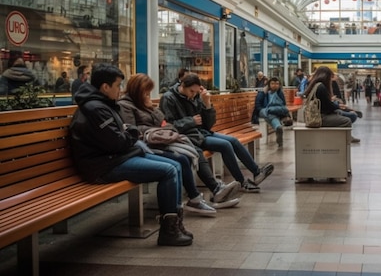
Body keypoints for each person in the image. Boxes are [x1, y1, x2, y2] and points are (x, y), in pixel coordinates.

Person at [69, 64, 192, 246]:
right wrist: (132, 132)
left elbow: (119, 137)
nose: (120, 90)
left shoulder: (102, 105)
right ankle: (168, 231)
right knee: (168, 170)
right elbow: (117, 141)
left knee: (176, 164)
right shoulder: (96, 108)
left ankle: (174, 224)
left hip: (116, 157)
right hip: (103, 166)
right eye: (118, 85)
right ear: (105, 87)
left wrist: (127, 132)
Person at [118, 73, 241, 212]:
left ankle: (214, 190)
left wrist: (206, 104)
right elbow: (133, 130)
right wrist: (160, 127)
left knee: (196, 150)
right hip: (148, 145)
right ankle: (198, 196)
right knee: (183, 158)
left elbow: (168, 124)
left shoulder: (144, 104)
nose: (148, 95)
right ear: (137, 91)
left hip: (167, 139)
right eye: (146, 93)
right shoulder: (126, 106)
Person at [160, 73, 274, 193]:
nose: (193, 95)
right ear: (182, 85)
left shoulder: (196, 96)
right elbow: (169, 126)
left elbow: (208, 124)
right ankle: (242, 182)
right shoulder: (168, 98)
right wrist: (191, 121)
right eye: (191, 91)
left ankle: (256, 172)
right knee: (225, 145)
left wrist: (207, 104)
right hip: (189, 137)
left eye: (196, 92)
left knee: (233, 141)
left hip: (201, 132)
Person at [256, 77, 293, 147]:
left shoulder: (280, 93)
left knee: (273, 113)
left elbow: (283, 104)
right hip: (265, 110)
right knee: (270, 114)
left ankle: (278, 126)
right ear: (269, 84)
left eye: (277, 84)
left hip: (276, 111)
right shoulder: (263, 93)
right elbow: (258, 106)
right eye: (272, 83)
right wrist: (266, 110)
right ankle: (278, 126)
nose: (275, 85)